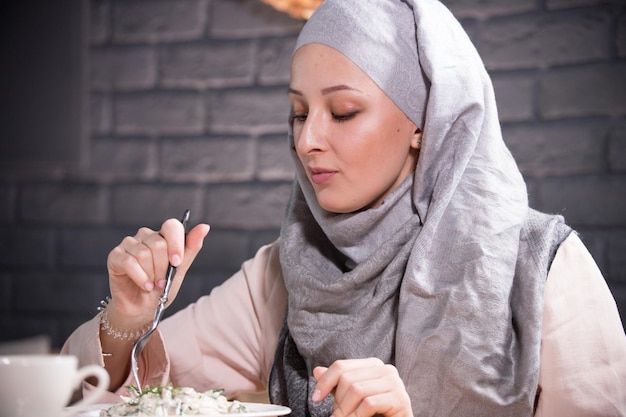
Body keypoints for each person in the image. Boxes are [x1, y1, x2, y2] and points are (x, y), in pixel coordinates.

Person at [62, 0, 626, 416]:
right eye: (299, 112)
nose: (307, 140)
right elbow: (114, 395)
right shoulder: (285, 272)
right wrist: (126, 319)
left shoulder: (545, 268)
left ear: (424, 122)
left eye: (345, 111)